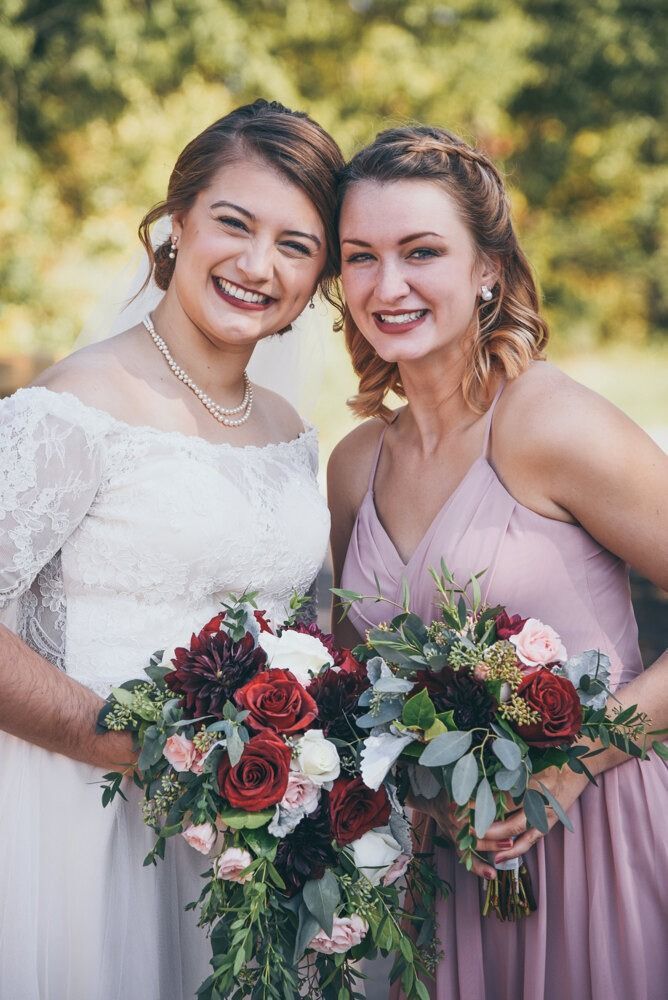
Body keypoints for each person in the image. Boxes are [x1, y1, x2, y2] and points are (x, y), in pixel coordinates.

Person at [0, 98, 343, 1000]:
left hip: (252, 848)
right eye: (234, 223)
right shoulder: (72, 408)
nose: (257, 265)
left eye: (296, 245)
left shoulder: (291, 431)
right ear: (178, 220)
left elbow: (299, 619)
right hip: (90, 828)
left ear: (318, 276)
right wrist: (137, 751)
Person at [328, 124, 668, 1000]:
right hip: (442, 879)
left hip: (600, 840)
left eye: (421, 251)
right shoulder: (355, 464)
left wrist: (573, 763)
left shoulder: (545, 420)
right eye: (359, 256)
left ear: (488, 269)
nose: (387, 284)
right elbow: (358, 685)